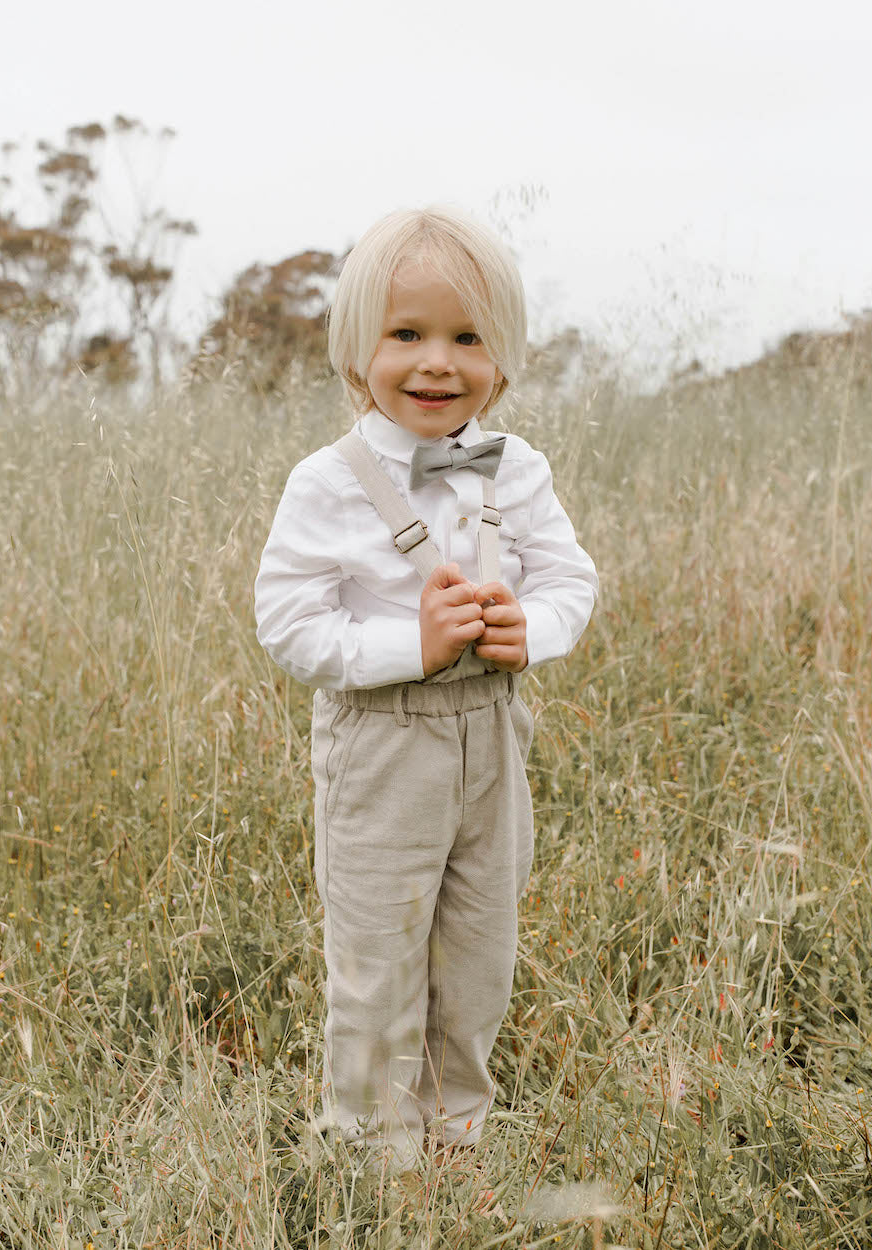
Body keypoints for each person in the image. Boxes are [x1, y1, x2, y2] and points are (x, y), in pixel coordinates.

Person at [254, 204, 598, 1171]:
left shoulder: (515, 465)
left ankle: (456, 1143)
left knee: (479, 954)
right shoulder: (326, 481)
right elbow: (290, 624)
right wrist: (412, 642)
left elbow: (572, 580)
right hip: (383, 741)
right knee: (379, 958)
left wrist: (534, 629)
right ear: (358, 353)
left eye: (466, 336)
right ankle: (370, 1161)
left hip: (491, 736)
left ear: (504, 355)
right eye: (406, 334)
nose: (437, 362)